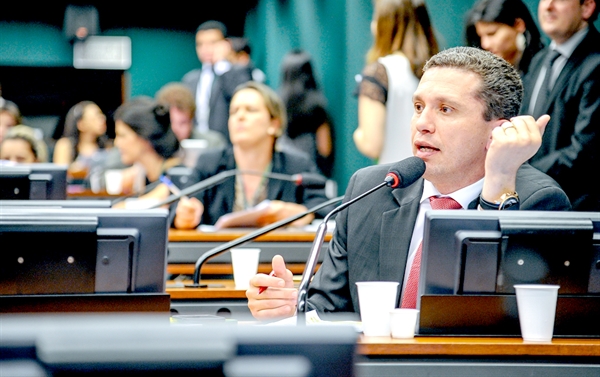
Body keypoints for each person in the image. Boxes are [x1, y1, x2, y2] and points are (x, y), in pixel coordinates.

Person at [246, 46, 571, 321]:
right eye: (418, 107)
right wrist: (290, 307)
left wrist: (498, 184)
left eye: (445, 109)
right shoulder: (372, 189)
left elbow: (495, 324)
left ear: (497, 131)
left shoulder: (537, 202)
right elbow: (327, 309)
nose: (422, 124)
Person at [173, 81, 329, 229]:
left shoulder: (297, 166)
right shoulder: (210, 163)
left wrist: (302, 213)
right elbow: (180, 207)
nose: (239, 116)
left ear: (274, 124)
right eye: (233, 111)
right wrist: (184, 216)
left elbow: (326, 209)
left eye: (250, 110)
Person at [520, 0, 600, 211]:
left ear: (587, 7)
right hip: (533, 204)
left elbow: (584, 152)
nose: (547, 5)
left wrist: (520, 170)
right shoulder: (539, 60)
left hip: (577, 212)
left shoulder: (596, 63)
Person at [353, 0, 438, 164]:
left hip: (398, 181)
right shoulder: (438, 70)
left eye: (377, 19)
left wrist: (357, 134)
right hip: (433, 179)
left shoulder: (379, 71)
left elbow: (371, 144)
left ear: (386, 25)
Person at [182, 21, 253, 141]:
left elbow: (242, 99)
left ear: (226, 44)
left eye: (212, 43)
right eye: (200, 44)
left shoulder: (238, 73)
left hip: (226, 146)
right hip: (195, 144)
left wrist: (221, 64)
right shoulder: (190, 80)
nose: (205, 49)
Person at [277, 49, 334, 177]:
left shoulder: (277, 103)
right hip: (311, 173)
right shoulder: (317, 105)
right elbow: (325, 148)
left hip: (283, 172)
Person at [465, 0, 545, 75]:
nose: (485, 44)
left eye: (492, 34)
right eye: (480, 36)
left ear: (518, 25)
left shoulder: (544, 67)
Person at [113, 97, 181, 196]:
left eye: (122, 135)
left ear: (145, 135)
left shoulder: (176, 176)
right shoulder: (140, 176)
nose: (117, 143)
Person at [155, 82, 227, 147]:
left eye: (183, 123)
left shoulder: (213, 145)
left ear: (192, 121)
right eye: (170, 122)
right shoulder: (151, 147)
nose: (175, 129)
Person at [53, 101, 110, 174]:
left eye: (102, 115)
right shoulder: (66, 145)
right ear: (81, 124)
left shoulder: (108, 145)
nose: (103, 119)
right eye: (97, 116)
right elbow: (60, 175)